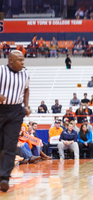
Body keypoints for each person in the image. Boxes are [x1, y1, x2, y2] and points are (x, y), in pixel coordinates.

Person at [0, 50, 31, 192]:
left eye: (23, 60)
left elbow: (26, 89)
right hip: (1, 109)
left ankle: (4, 178)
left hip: (16, 112)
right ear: (11, 61)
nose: (23, 63)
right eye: (20, 60)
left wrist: (26, 105)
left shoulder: (25, 73)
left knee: (10, 145)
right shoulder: (1, 71)